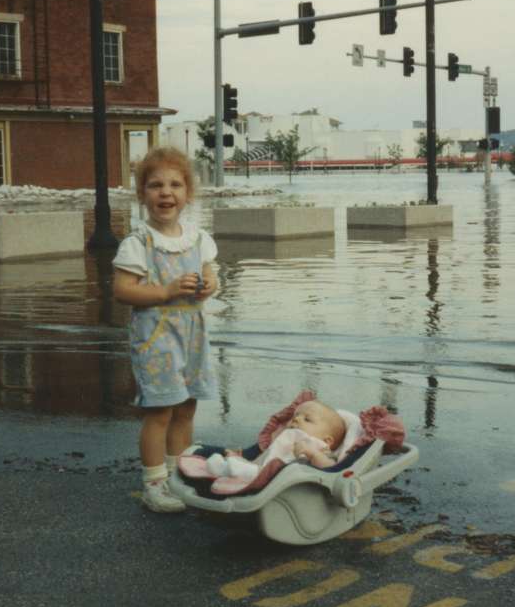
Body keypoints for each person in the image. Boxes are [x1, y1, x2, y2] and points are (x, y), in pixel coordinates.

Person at [113, 147, 219, 513]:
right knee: (160, 410)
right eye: (155, 185)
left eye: (175, 184)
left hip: (191, 336)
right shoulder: (138, 242)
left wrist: (208, 285)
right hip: (156, 339)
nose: (166, 192)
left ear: (188, 193)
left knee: (187, 407)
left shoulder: (197, 238)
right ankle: (154, 483)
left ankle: (179, 474)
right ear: (142, 194)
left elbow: (211, 274)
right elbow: (123, 289)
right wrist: (167, 291)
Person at [199, 400, 348, 482]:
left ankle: (235, 470)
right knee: (251, 464)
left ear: (327, 440)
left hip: (285, 478)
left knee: (262, 469)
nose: (296, 419)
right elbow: (268, 454)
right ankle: (228, 467)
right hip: (265, 468)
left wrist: (313, 453)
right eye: (296, 416)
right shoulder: (287, 436)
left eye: (307, 419)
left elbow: (330, 467)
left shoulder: (321, 448)